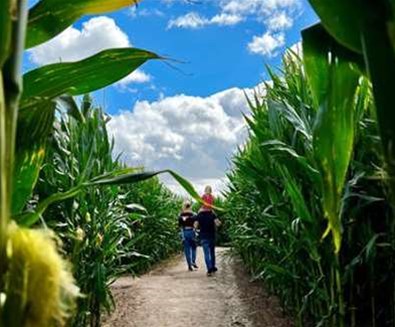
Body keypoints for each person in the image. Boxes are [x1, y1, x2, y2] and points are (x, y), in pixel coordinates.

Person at [194, 209, 221, 276]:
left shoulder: (199, 215)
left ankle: (209, 269)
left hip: (203, 236)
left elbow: (195, 225)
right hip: (211, 236)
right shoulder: (212, 214)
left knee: (206, 253)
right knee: (212, 252)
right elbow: (218, 224)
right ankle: (213, 267)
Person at [178, 201, 198, 271]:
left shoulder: (180, 215)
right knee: (194, 248)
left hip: (184, 232)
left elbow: (180, 227)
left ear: (183, 206)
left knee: (187, 250)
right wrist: (194, 230)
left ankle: (189, 265)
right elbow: (195, 225)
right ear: (190, 206)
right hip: (192, 232)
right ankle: (193, 261)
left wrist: (182, 236)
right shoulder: (194, 214)